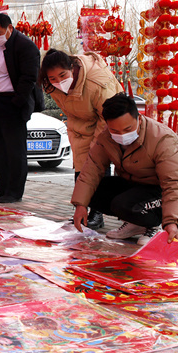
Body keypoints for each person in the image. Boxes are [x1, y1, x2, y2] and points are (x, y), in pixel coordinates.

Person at [72, 93, 178, 245]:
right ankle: (135, 224)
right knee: (94, 193)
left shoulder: (162, 139)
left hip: (159, 190)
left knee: (124, 204)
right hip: (135, 185)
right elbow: (90, 172)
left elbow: (175, 183)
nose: (122, 135)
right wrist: (81, 205)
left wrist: (171, 222)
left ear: (139, 119)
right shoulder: (105, 138)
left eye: (127, 128)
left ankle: (154, 226)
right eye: (115, 131)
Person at [39, 49, 121, 230]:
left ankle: (98, 212)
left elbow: (108, 117)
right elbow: (69, 109)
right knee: (80, 167)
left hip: (108, 120)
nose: (59, 82)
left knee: (97, 164)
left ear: (72, 68)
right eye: (53, 78)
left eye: (63, 75)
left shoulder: (97, 82)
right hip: (80, 124)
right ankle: (82, 211)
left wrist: (96, 145)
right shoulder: (51, 86)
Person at [0, 13, 43, 204]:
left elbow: (29, 78)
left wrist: (18, 101)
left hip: (12, 103)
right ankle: (1, 187)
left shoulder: (25, 46)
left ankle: (14, 191)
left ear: (10, 27)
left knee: (14, 149)